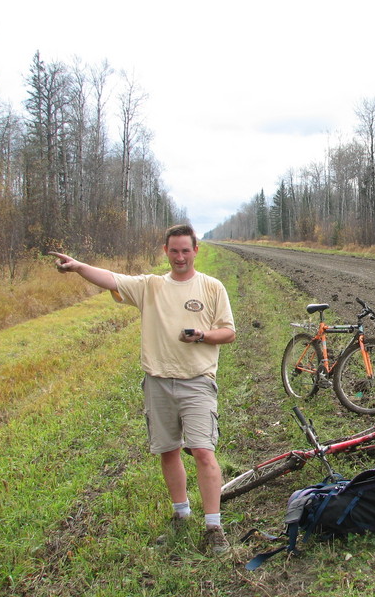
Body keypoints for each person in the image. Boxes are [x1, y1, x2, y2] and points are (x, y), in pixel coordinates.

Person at [49, 224, 236, 554]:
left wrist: (202, 335)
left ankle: (213, 526)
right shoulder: (150, 286)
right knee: (168, 450)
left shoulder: (212, 287)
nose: (180, 257)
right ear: (165, 251)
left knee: (204, 453)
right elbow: (111, 278)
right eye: (174, 250)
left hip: (197, 381)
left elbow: (228, 332)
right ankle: (181, 515)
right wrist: (78, 266)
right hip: (158, 382)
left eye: (185, 250)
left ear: (196, 251)